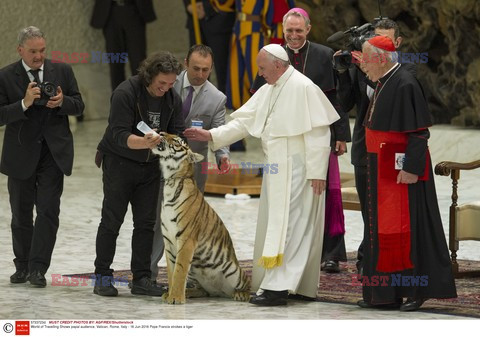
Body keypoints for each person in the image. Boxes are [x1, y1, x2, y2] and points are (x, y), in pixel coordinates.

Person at [184, 44, 339, 306]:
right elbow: (244, 121)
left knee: (292, 227)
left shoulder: (303, 87)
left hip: (299, 170)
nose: (259, 73)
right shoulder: (269, 89)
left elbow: (319, 133)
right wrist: (212, 135)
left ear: (278, 65)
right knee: (278, 225)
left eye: (262, 68)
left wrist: (316, 171)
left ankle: (279, 288)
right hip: (276, 167)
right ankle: (289, 284)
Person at [357, 35, 456, 311]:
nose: (362, 63)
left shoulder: (406, 83)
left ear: (380, 58)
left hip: (404, 173)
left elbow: (419, 132)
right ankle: (385, 294)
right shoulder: (383, 82)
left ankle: (415, 290)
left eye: (365, 58)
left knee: (410, 231)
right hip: (382, 170)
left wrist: (412, 168)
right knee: (380, 229)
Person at [252, 8, 351, 274]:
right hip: (284, 142)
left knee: (327, 193)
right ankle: (289, 248)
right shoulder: (273, 56)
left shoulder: (324, 55)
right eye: (289, 31)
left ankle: (331, 253)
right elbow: (260, 95)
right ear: (282, 31)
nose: (294, 36)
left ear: (308, 29)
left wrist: (341, 134)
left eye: (299, 30)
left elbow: (336, 98)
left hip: (318, 136)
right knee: (288, 199)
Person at [93, 51, 185, 297]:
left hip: (150, 167)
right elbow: (118, 135)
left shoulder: (172, 99)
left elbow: (177, 134)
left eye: (171, 83)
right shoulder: (126, 93)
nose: (165, 88)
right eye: (161, 83)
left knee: (146, 224)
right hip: (120, 163)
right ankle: (102, 277)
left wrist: (165, 145)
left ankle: (142, 279)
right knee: (112, 221)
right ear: (149, 76)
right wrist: (146, 143)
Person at [0, 26, 84, 287]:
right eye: (33, 51)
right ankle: (22, 265)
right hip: (21, 153)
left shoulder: (63, 70)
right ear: (20, 50)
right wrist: (24, 103)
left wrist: (61, 102)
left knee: (48, 211)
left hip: (53, 153)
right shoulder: (5, 76)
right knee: (21, 213)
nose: (39, 56)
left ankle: (38, 268)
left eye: (42, 50)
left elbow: (79, 105)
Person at [335, 18, 414, 274]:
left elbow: (386, 98)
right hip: (363, 147)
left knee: (389, 212)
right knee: (368, 210)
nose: (377, 47)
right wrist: (343, 73)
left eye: (385, 41)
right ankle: (367, 257)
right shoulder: (361, 66)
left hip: (391, 152)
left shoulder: (406, 72)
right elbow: (346, 104)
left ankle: (384, 262)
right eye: (373, 40)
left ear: (397, 43)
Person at [149, 44, 230, 282]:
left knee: (189, 224)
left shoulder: (216, 98)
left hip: (192, 171)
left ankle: (189, 277)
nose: (200, 74)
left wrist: (222, 155)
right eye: (196, 68)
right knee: (156, 219)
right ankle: (149, 274)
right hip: (160, 163)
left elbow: (220, 131)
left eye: (206, 69)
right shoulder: (167, 83)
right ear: (185, 63)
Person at [90, 0, 156, 91]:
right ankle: (119, 102)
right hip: (110, 12)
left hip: (134, 9)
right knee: (115, 63)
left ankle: (140, 101)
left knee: (139, 62)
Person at [182, 0, 235, 94]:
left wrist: (207, 6)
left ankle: (223, 104)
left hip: (219, 18)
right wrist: (188, 5)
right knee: (196, 68)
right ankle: (199, 102)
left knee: (223, 70)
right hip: (195, 19)